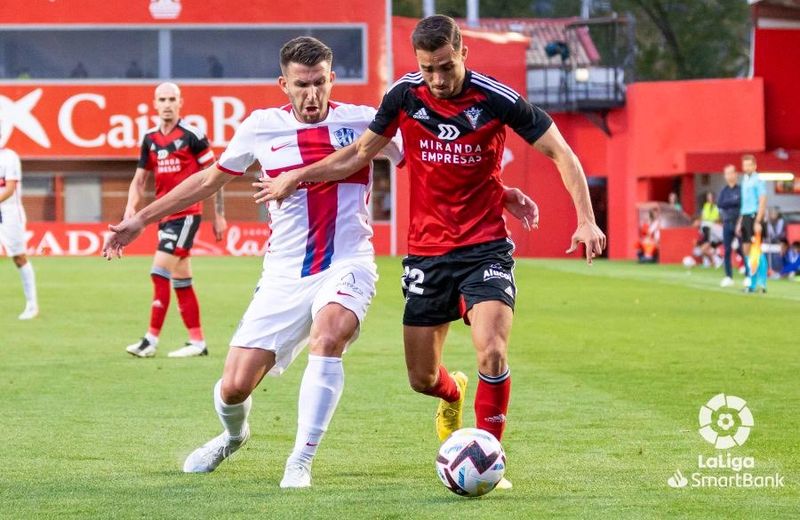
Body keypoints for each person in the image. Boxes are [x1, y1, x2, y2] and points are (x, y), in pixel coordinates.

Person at [104, 36, 534, 489]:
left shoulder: (365, 121)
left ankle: (300, 460)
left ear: (332, 79)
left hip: (349, 262)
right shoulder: (261, 127)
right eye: (301, 85)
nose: (311, 95)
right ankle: (233, 436)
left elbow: (436, 163)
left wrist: (500, 191)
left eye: (319, 83)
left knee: (328, 336)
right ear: (283, 84)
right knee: (234, 387)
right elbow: (208, 180)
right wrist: (140, 219)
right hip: (284, 274)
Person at [257, 15, 605, 490]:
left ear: (462, 53)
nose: (437, 79)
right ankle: (452, 392)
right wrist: (296, 176)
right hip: (426, 254)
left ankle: (487, 455)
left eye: (445, 66)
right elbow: (359, 153)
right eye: (428, 68)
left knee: (493, 351)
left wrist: (586, 218)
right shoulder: (404, 95)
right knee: (422, 378)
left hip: (485, 247)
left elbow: (561, 151)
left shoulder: (495, 98)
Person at [122, 82, 226, 358]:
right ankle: (197, 342)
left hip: (187, 214)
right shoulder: (150, 139)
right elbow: (139, 180)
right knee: (182, 279)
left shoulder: (193, 136)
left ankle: (150, 340)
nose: (167, 104)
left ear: (180, 102)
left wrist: (219, 215)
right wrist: (130, 206)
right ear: (155, 104)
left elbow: (216, 174)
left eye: (171, 99)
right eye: (162, 99)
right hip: (163, 216)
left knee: (159, 272)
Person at [0, 136, 38, 319]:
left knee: (19, 257)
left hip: (9, 214)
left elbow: (9, 189)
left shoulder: (9, 157)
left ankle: (32, 305)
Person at [737, 154, 766, 287]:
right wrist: (740, 221)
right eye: (745, 165)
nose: (747, 167)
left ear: (754, 166)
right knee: (745, 249)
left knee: (756, 250)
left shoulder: (758, 180)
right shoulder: (744, 180)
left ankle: (761, 281)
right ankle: (751, 278)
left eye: (750, 165)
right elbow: (744, 204)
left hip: (754, 216)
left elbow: (762, 201)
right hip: (745, 217)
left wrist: (758, 221)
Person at [717, 164, 746, 287]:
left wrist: (730, 204)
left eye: (731, 173)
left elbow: (742, 204)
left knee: (743, 249)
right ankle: (728, 276)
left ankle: (748, 275)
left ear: (736, 174)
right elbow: (720, 204)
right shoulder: (724, 191)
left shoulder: (740, 189)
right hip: (727, 222)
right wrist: (733, 202)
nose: (729, 176)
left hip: (739, 223)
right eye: (727, 173)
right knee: (727, 250)